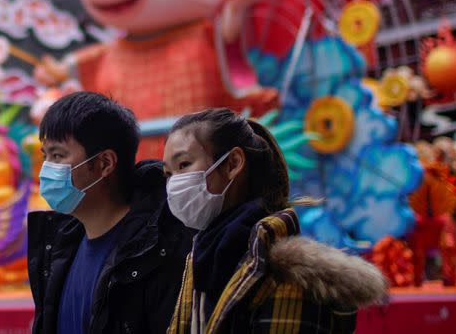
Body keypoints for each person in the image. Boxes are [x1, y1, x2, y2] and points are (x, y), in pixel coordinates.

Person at [163, 108, 388, 334]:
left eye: (183, 165)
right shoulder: (202, 259)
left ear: (232, 164)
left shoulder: (289, 277)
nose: (173, 185)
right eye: (168, 174)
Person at [28, 92, 193, 334]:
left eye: (58, 155)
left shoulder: (159, 253)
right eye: (46, 156)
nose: (46, 169)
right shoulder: (58, 247)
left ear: (105, 163)